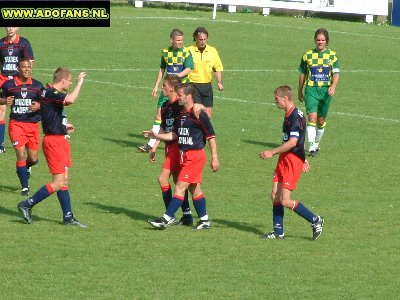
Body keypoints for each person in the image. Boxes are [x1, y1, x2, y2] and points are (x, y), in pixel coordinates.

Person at [144, 82, 219, 230]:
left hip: (195, 156)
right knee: (194, 189)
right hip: (184, 156)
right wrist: (156, 136)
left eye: (180, 95)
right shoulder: (182, 115)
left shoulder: (198, 114)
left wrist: (215, 157)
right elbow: (174, 135)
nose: (177, 97)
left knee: (180, 186)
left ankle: (166, 219)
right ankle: (204, 221)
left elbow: (211, 136)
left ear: (189, 96)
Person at [17, 68, 87, 227]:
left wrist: (63, 125)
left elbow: (50, 114)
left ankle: (68, 217)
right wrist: (79, 83)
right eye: (69, 80)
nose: (70, 82)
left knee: (64, 180)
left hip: (59, 138)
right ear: (63, 81)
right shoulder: (51, 93)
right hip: (54, 142)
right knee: (58, 182)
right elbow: (70, 100)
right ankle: (27, 204)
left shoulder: (49, 94)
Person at [259, 85, 324, 240]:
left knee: (285, 200)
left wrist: (272, 152)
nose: (275, 102)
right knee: (275, 194)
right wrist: (304, 157)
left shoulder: (295, 116)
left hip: (291, 161)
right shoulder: (290, 114)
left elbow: (293, 142)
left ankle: (316, 220)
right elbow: (298, 141)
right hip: (286, 158)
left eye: (277, 99)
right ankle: (278, 231)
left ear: (285, 98)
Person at [138, 28, 194, 153]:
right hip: (167, 89)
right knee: (159, 114)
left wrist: (176, 77)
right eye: (178, 40)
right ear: (172, 40)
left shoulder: (186, 52)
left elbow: (189, 69)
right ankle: (151, 144)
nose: (180, 42)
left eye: (182, 40)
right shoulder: (165, 52)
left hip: (180, 90)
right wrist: (157, 85)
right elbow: (162, 69)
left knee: (182, 114)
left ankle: (186, 139)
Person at [149, 74, 193, 226]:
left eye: (164, 86)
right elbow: (163, 127)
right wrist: (154, 146)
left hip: (178, 147)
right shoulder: (165, 106)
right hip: (168, 147)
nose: (162, 88)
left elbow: (194, 108)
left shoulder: (179, 107)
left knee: (163, 178)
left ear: (172, 88)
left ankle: (170, 214)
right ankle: (187, 215)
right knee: (176, 180)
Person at [0, 59, 43, 196]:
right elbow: (0, 98)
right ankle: (25, 187)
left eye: (28, 67)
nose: (27, 69)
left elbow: (47, 103)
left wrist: (39, 106)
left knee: (33, 158)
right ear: (18, 69)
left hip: (33, 125)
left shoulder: (37, 86)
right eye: (24, 67)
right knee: (20, 154)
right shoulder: (9, 85)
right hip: (16, 124)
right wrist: (4, 101)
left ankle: (26, 168)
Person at [298, 28, 340, 157]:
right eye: (318, 39)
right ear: (315, 40)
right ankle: (311, 147)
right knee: (312, 117)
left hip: (325, 92)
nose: (320, 42)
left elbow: (336, 73)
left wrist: (333, 86)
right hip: (311, 90)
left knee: (320, 121)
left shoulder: (332, 56)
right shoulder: (307, 55)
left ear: (327, 41)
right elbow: (302, 74)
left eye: (322, 40)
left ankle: (316, 143)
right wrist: (300, 90)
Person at [0, 27, 34, 153]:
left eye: (13, 26)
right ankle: (0, 144)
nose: (10, 29)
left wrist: (24, 78)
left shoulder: (23, 43)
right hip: (3, 81)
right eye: (8, 26)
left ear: (17, 27)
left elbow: (30, 62)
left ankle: (25, 139)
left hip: (17, 82)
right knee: (1, 108)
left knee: (21, 109)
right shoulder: (1, 43)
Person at [188, 27, 224, 118]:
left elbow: (217, 67)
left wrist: (219, 82)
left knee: (207, 116)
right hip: (193, 85)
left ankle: (205, 132)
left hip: (207, 86)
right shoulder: (188, 51)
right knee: (196, 113)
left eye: (205, 39)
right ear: (195, 38)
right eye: (200, 39)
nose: (203, 41)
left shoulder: (212, 51)